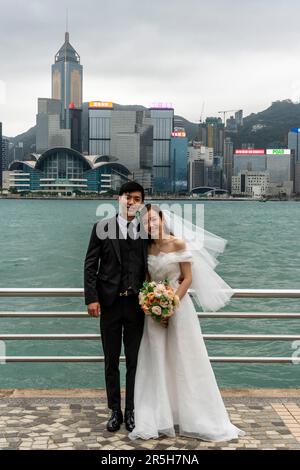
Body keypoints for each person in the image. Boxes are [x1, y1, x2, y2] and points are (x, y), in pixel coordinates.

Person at [128, 204, 246, 442]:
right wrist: (153, 304)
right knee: (156, 358)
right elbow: (148, 279)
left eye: (154, 220)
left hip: (178, 307)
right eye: (146, 223)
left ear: (162, 220)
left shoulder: (178, 243)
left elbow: (188, 278)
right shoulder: (146, 247)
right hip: (153, 311)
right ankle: (161, 414)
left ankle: (194, 414)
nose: (151, 225)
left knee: (184, 357)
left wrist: (171, 304)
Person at [84, 182, 148, 433]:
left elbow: (152, 265)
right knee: (111, 360)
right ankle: (115, 410)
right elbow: (90, 266)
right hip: (109, 304)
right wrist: (91, 298)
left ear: (141, 203)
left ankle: (131, 410)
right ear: (118, 199)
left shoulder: (147, 230)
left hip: (136, 306)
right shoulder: (101, 228)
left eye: (137, 198)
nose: (131, 202)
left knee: (134, 361)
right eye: (127, 197)